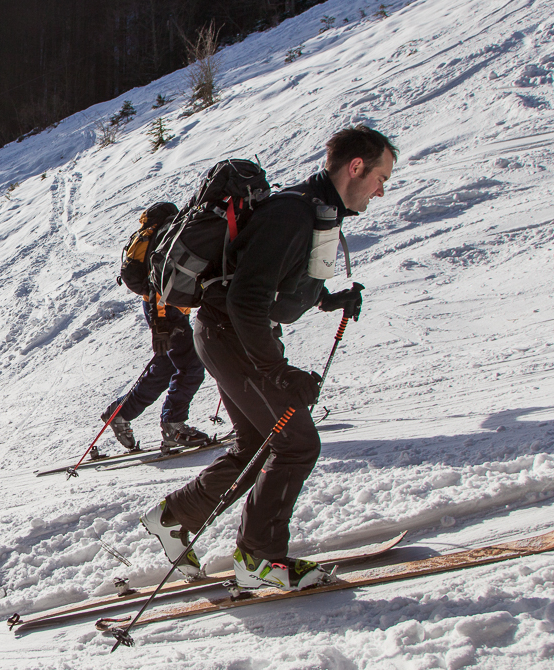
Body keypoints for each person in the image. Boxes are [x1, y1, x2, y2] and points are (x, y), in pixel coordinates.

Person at [140, 125, 397, 591]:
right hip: (232, 335)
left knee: (257, 445)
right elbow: (246, 298)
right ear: (356, 167)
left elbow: (268, 277)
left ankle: (175, 517)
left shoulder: (311, 210)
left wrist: (327, 300)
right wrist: (278, 373)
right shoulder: (294, 213)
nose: (382, 190)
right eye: (381, 177)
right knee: (296, 444)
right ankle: (259, 560)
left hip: (224, 335)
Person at [102, 202, 212, 453]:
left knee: (166, 367)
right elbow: (156, 285)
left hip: (165, 309)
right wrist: (161, 324)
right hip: (164, 309)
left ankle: (120, 413)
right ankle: (173, 425)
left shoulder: (157, 237)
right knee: (191, 366)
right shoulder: (168, 238)